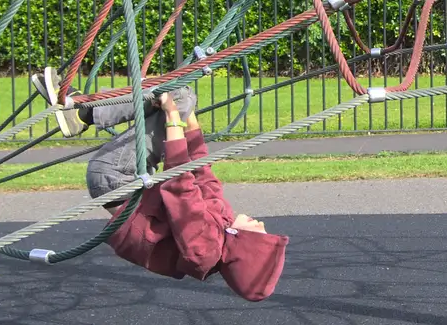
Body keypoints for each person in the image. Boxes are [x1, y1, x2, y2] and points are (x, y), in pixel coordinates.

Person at [31, 68, 287, 300]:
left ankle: (83, 111)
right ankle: (84, 110)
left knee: (177, 96)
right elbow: (202, 172)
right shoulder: (222, 225)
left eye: (260, 233)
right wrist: (188, 117)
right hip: (125, 180)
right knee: (183, 95)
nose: (261, 223)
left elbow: (180, 187)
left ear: (243, 247)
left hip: (115, 178)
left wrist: (174, 115)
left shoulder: (205, 250)